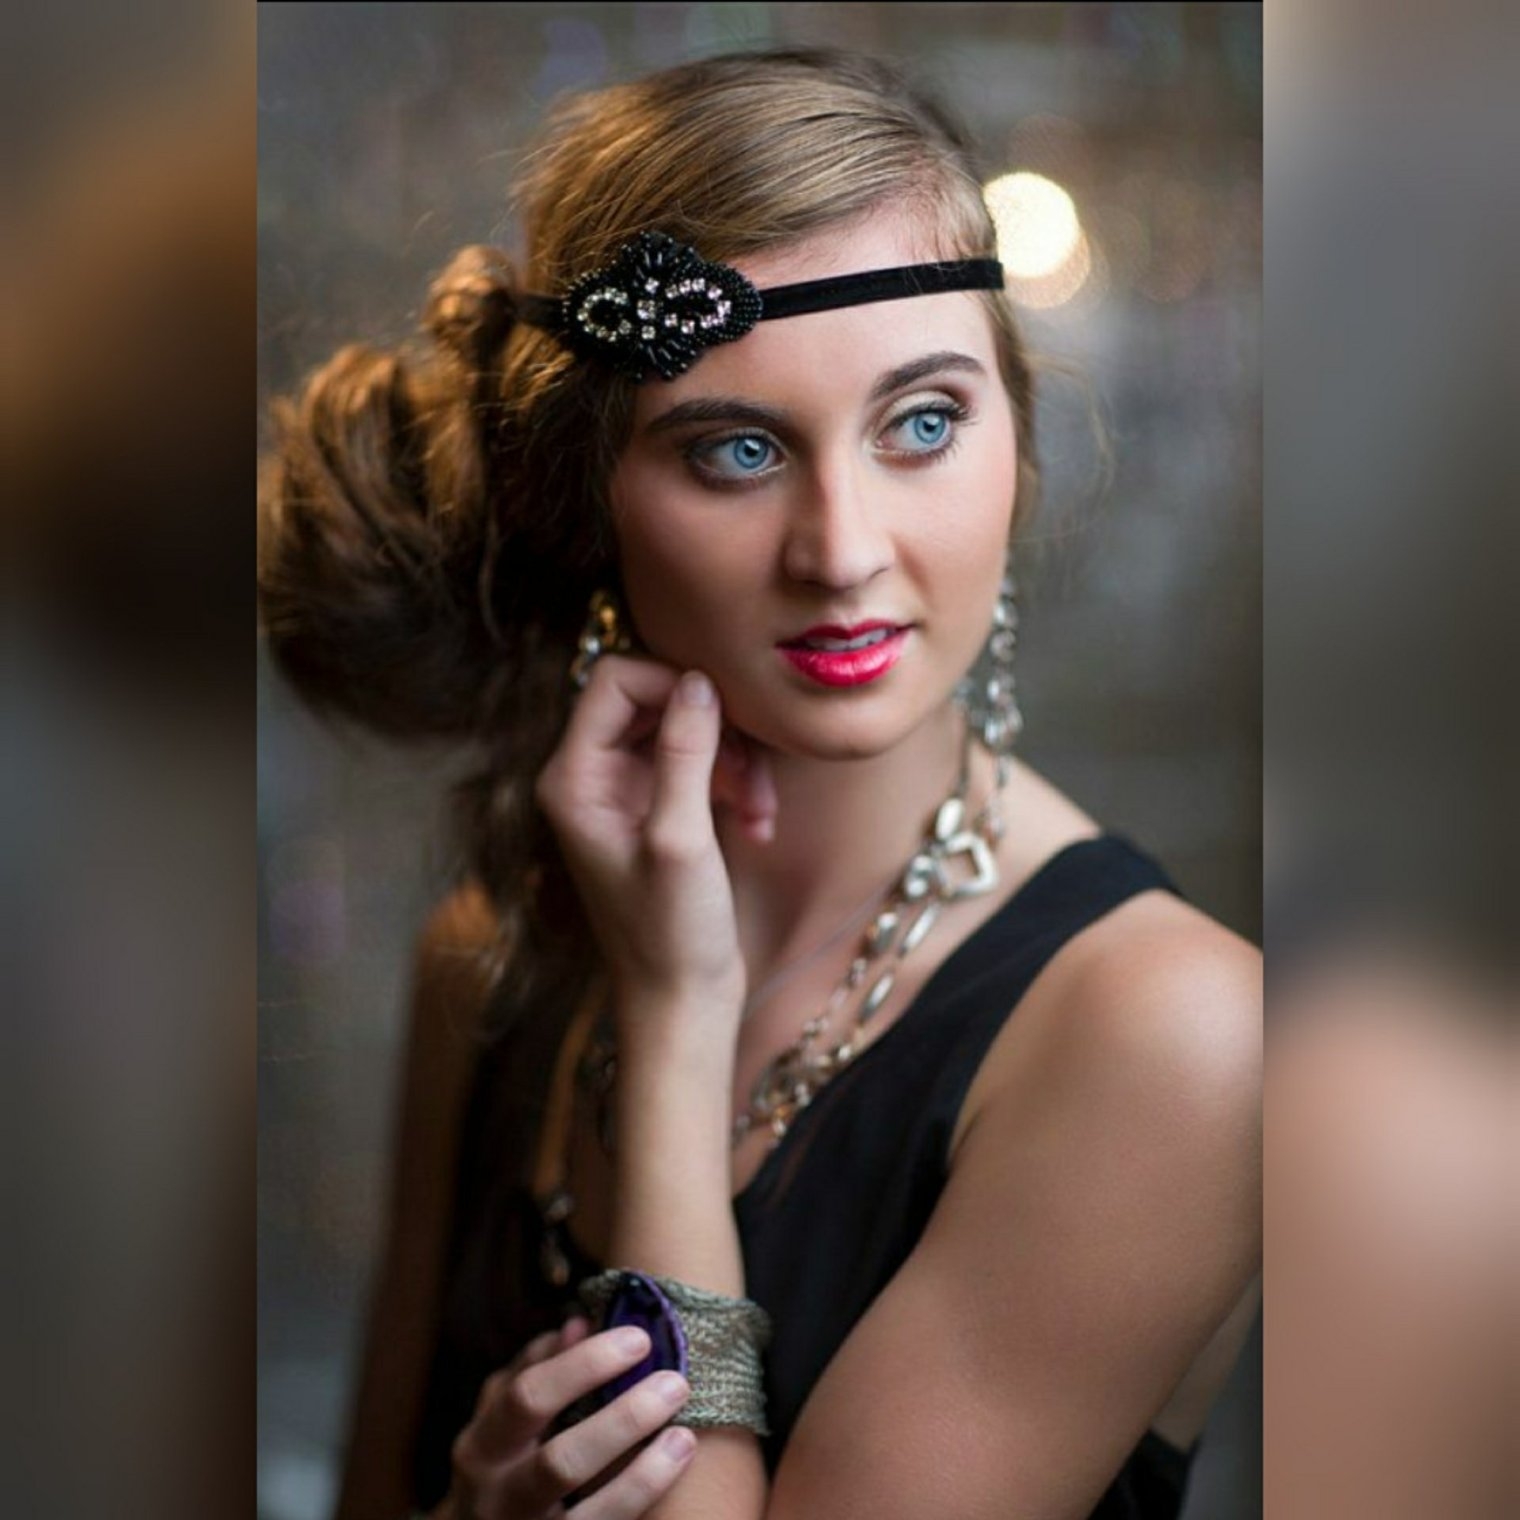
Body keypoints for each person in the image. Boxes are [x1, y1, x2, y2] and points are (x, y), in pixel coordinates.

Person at [259, 45, 1261, 1520]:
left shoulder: (1175, 1038)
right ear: (588, 504)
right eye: (735, 450)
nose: (842, 549)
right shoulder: (492, 959)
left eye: (924, 423)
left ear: (1019, 441)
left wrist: (673, 1014)